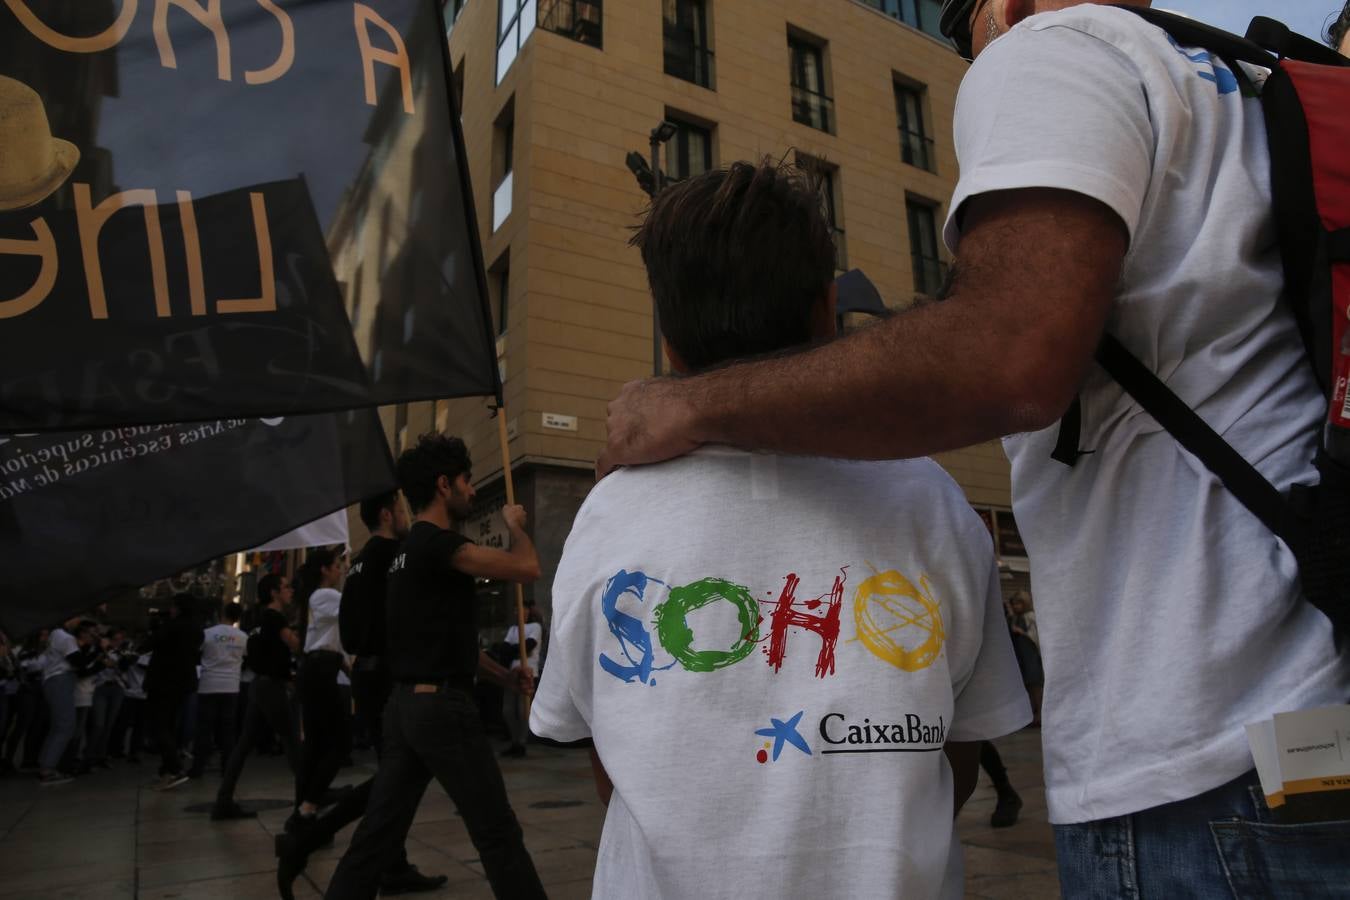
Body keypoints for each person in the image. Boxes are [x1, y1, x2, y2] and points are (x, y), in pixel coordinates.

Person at [598, 2, 1350, 894]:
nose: (970, 54)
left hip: (1196, 752)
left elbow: (1011, 354)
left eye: (964, 26)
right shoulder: (1236, 84)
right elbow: (957, 744)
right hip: (1311, 713)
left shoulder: (1049, 46)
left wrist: (689, 405)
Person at [532, 161, 1031, 898]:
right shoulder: (930, 497)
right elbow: (959, 749)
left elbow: (607, 752)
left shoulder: (610, 512)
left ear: (668, 340)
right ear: (830, 312)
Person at [323, 434, 545, 900]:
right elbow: (527, 569)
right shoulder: (435, 543)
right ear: (444, 485)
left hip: (407, 710)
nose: (471, 490)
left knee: (377, 836)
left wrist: (505, 677)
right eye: (465, 480)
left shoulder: (407, 554)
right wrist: (515, 524)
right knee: (497, 833)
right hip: (443, 711)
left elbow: (445, 645)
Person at [275, 492, 447, 900]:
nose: (408, 515)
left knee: (396, 773)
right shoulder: (394, 556)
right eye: (404, 509)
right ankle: (310, 838)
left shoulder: (358, 566)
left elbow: (350, 634)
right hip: (391, 676)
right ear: (388, 514)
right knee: (398, 775)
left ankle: (392, 863)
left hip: (367, 676)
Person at [212, 573, 303, 820]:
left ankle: (223, 800)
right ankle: (307, 804)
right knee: (292, 743)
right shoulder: (274, 618)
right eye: (285, 587)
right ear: (274, 592)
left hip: (258, 684)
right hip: (270, 687)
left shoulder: (255, 618)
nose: (290, 591)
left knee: (244, 744)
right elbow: (295, 645)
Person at [290, 547, 351, 831]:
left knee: (315, 746)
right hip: (319, 673)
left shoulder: (318, 598)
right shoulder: (325, 595)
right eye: (337, 566)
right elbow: (355, 608)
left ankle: (304, 812)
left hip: (320, 670)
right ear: (325, 570)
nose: (340, 570)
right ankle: (310, 804)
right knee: (338, 743)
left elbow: (333, 643)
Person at [145, 595, 202, 791]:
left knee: (159, 725)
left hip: (163, 680)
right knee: (169, 724)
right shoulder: (196, 629)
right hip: (183, 682)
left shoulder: (172, 626)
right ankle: (167, 768)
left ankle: (174, 767)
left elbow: (150, 643)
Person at [189, 603, 247, 779]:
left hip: (208, 685)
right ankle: (227, 767)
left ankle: (198, 767)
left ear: (221, 614)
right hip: (231, 686)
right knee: (227, 730)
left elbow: (196, 653)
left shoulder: (208, 634)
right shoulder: (243, 637)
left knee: (204, 729)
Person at [37, 616, 92, 786]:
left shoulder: (57, 634)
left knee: (58, 726)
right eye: (78, 617)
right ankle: (48, 770)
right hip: (60, 680)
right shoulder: (65, 637)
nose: (80, 621)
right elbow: (79, 662)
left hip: (57, 681)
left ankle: (45, 763)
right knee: (66, 725)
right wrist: (95, 650)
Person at [499, 601, 542, 758]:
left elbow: (529, 645)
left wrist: (515, 649)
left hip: (528, 671)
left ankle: (521, 742)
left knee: (523, 710)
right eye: (516, 611)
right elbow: (504, 650)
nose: (519, 613)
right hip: (512, 672)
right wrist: (517, 649)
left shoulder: (534, 627)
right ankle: (514, 740)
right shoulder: (513, 629)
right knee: (508, 710)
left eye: (521, 610)